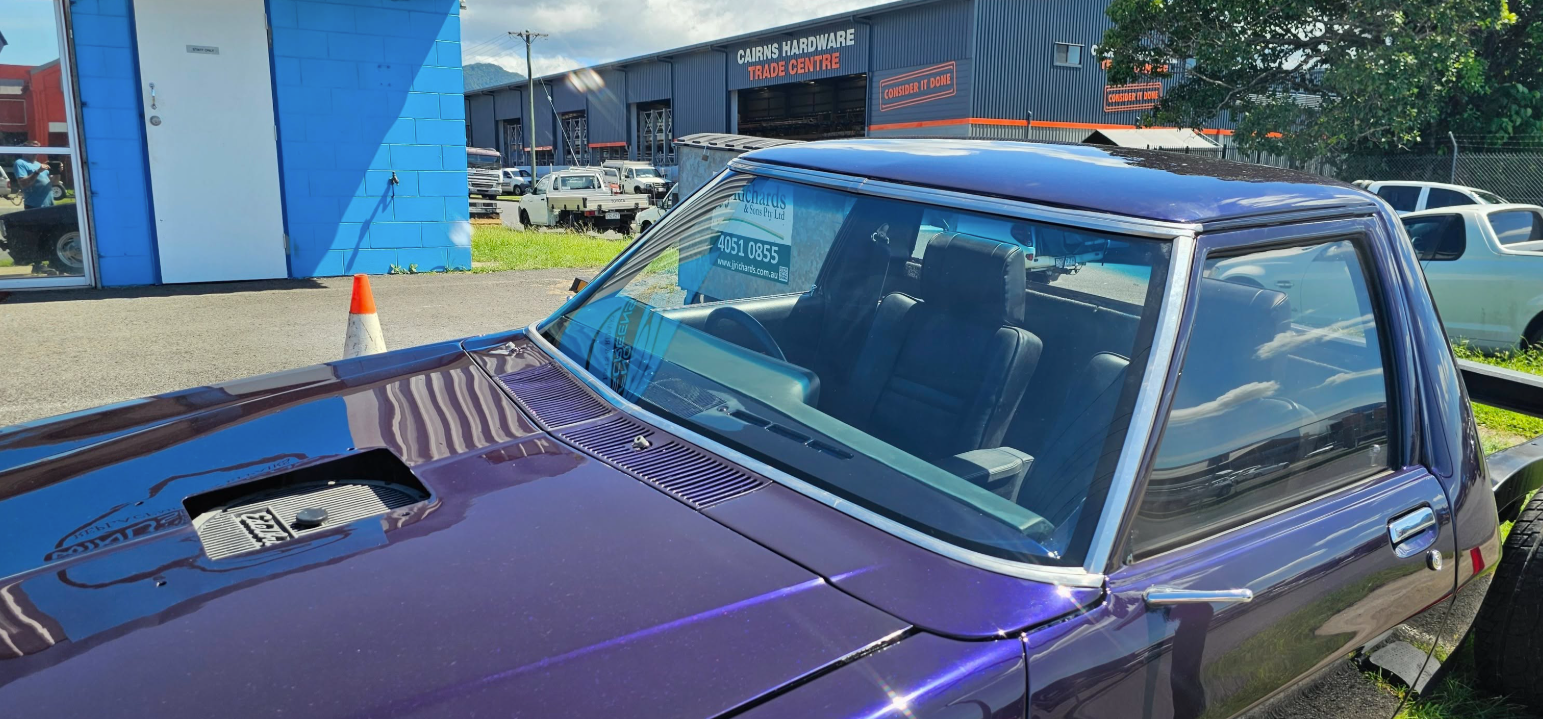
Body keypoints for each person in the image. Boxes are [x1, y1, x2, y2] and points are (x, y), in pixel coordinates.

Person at [13, 141, 54, 209]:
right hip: (34, 206)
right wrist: (37, 172)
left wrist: (57, 171)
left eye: (38, 148)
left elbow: (54, 182)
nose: (36, 151)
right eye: (33, 148)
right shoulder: (20, 163)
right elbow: (23, 184)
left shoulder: (39, 164)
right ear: (25, 149)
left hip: (49, 205)